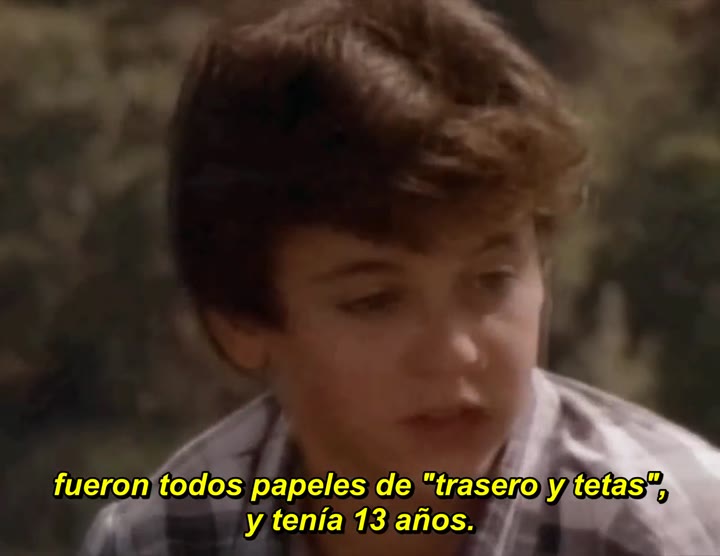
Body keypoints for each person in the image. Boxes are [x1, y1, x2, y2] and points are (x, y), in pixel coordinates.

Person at [80, 0, 720, 554]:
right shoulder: (166, 537)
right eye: (376, 300)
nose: (456, 352)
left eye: (493, 280)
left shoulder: (657, 529)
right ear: (241, 322)